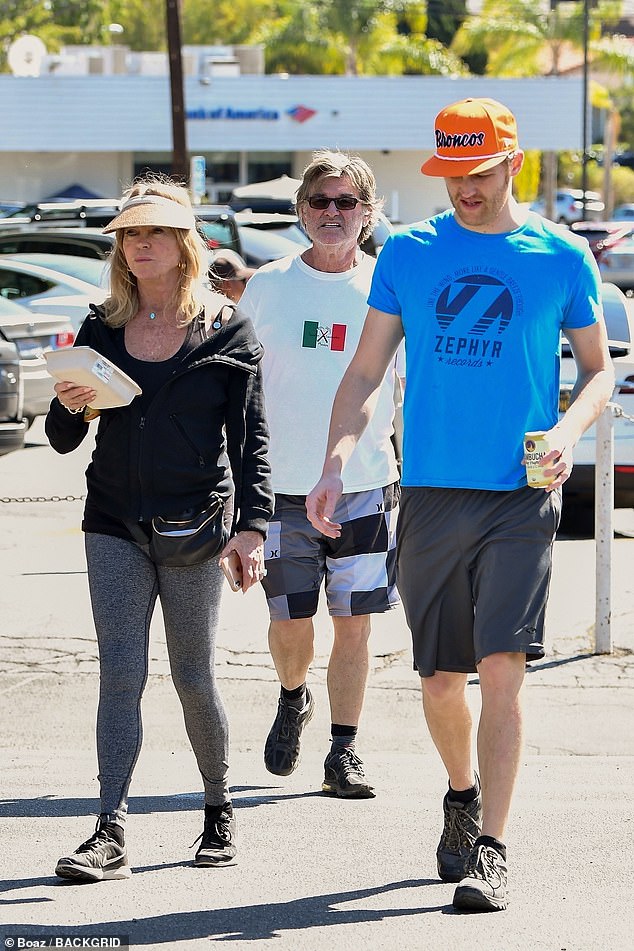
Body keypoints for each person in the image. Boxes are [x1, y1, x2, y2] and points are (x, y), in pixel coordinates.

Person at [306, 99, 614, 910]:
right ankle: (461, 792)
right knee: (442, 681)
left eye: (477, 174)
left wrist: (569, 428)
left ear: (513, 163)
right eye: (450, 175)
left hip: (521, 493)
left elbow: (599, 369)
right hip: (434, 492)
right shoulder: (410, 253)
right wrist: (337, 458)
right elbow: (367, 372)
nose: (462, 191)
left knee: (501, 673)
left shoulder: (560, 254)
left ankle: (494, 849)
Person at [45, 173, 273, 881]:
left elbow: (251, 438)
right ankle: (108, 828)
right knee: (120, 672)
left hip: (196, 524)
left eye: (154, 232)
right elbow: (59, 436)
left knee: (193, 676)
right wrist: (73, 403)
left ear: (183, 244)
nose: (139, 244)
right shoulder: (100, 326)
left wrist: (253, 526)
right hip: (112, 519)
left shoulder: (226, 327)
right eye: (129, 234)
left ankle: (218, 807)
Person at [239, 150, 403, 799]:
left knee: (355, 620)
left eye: (346, 202)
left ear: (367, 213)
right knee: (290, 620)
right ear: (302, 211)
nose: (332, 213)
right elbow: (237, 383)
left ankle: (344, 748)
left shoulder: (387, 286)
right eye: (320, 202)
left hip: (365, 483)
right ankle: (292, 694)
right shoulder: (271, 284)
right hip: (280, 487)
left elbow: (410, 382)